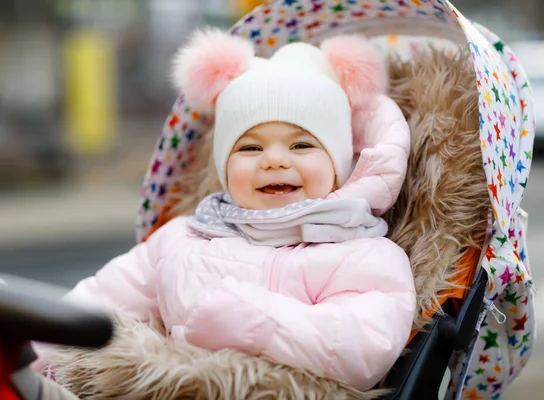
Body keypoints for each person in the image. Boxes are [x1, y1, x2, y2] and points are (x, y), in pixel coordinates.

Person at [33, 28, 416, 391]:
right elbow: (103, 300)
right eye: (251, 148)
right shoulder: (184, 239)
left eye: (301, 146)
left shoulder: (362, 255)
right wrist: (24, 347)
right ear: (224, 167)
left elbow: (363, 345)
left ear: (339, 164)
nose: (274, 160)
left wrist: (259, 323)